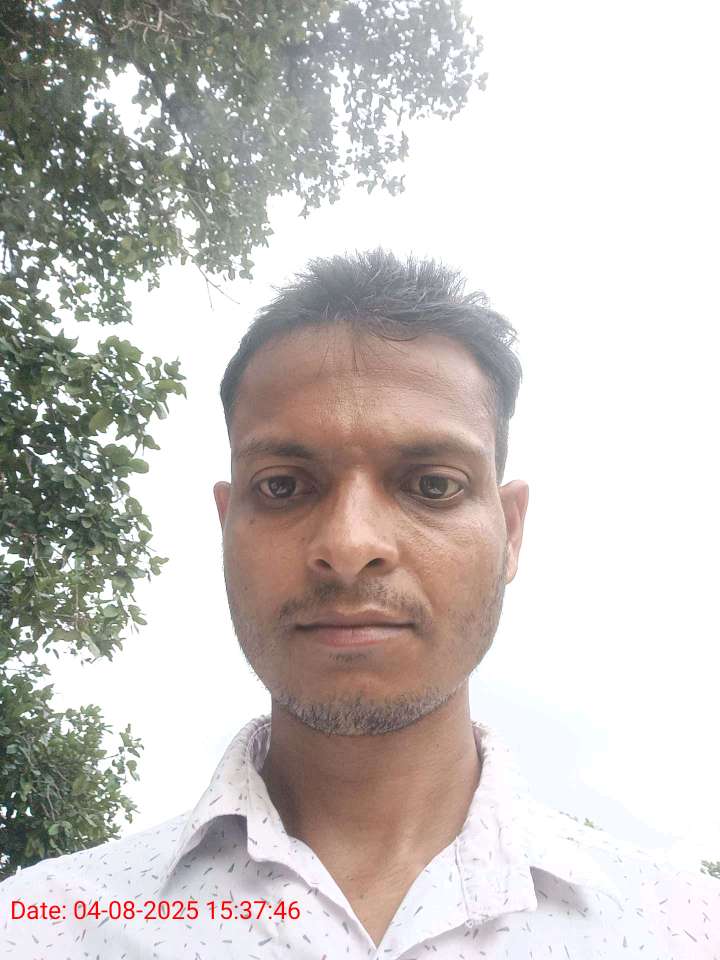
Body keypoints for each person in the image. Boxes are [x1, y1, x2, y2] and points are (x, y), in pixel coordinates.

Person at [1, 250, 718, 959]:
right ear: (226, 526)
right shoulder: (42, 929)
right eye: (283, 486)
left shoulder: (682, 929)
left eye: (432, 485)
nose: (348, 545)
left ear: (511, 532)